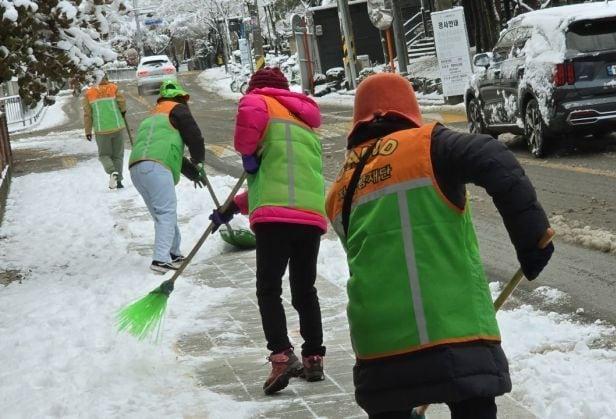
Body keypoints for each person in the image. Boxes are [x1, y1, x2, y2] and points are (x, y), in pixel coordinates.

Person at [324, 73, 555, 419]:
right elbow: (494, 158)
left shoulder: (340, 186)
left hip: (378, 349)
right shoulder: (428, 145)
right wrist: (533, 239)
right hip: (454, 332)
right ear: (408, 112)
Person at [209, 67, 327, 395]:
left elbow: (246, 139)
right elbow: (278, 179)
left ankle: (281, 355)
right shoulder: (303, 122)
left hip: (275, 220)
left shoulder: (258, 101)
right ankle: (314, 356)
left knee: (268, 288)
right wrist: (232, 207)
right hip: (309, 216)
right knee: (305, 289)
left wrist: (248, 153)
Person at [129, 79, 206, 274]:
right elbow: (195, 136)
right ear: (180, 97)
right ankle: (160, 260)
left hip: (137, 168)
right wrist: (199, 161)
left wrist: (193, 173)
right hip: (156, 166)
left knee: (161, 214)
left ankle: (173, 254)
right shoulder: (178, 109)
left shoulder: (154, 116)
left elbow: (171, 152)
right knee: (166, 213)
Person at [82, 73, 127, 189]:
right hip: (117, 127)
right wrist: (122, 112)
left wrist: (88, 131)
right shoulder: (113, 88)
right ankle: (119, 182)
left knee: (104, 155)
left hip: (101, 130)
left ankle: (112, 172)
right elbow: (122, 102)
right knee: (118, 156)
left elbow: (88, 114)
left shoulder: (89, 93)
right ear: (106, 78)